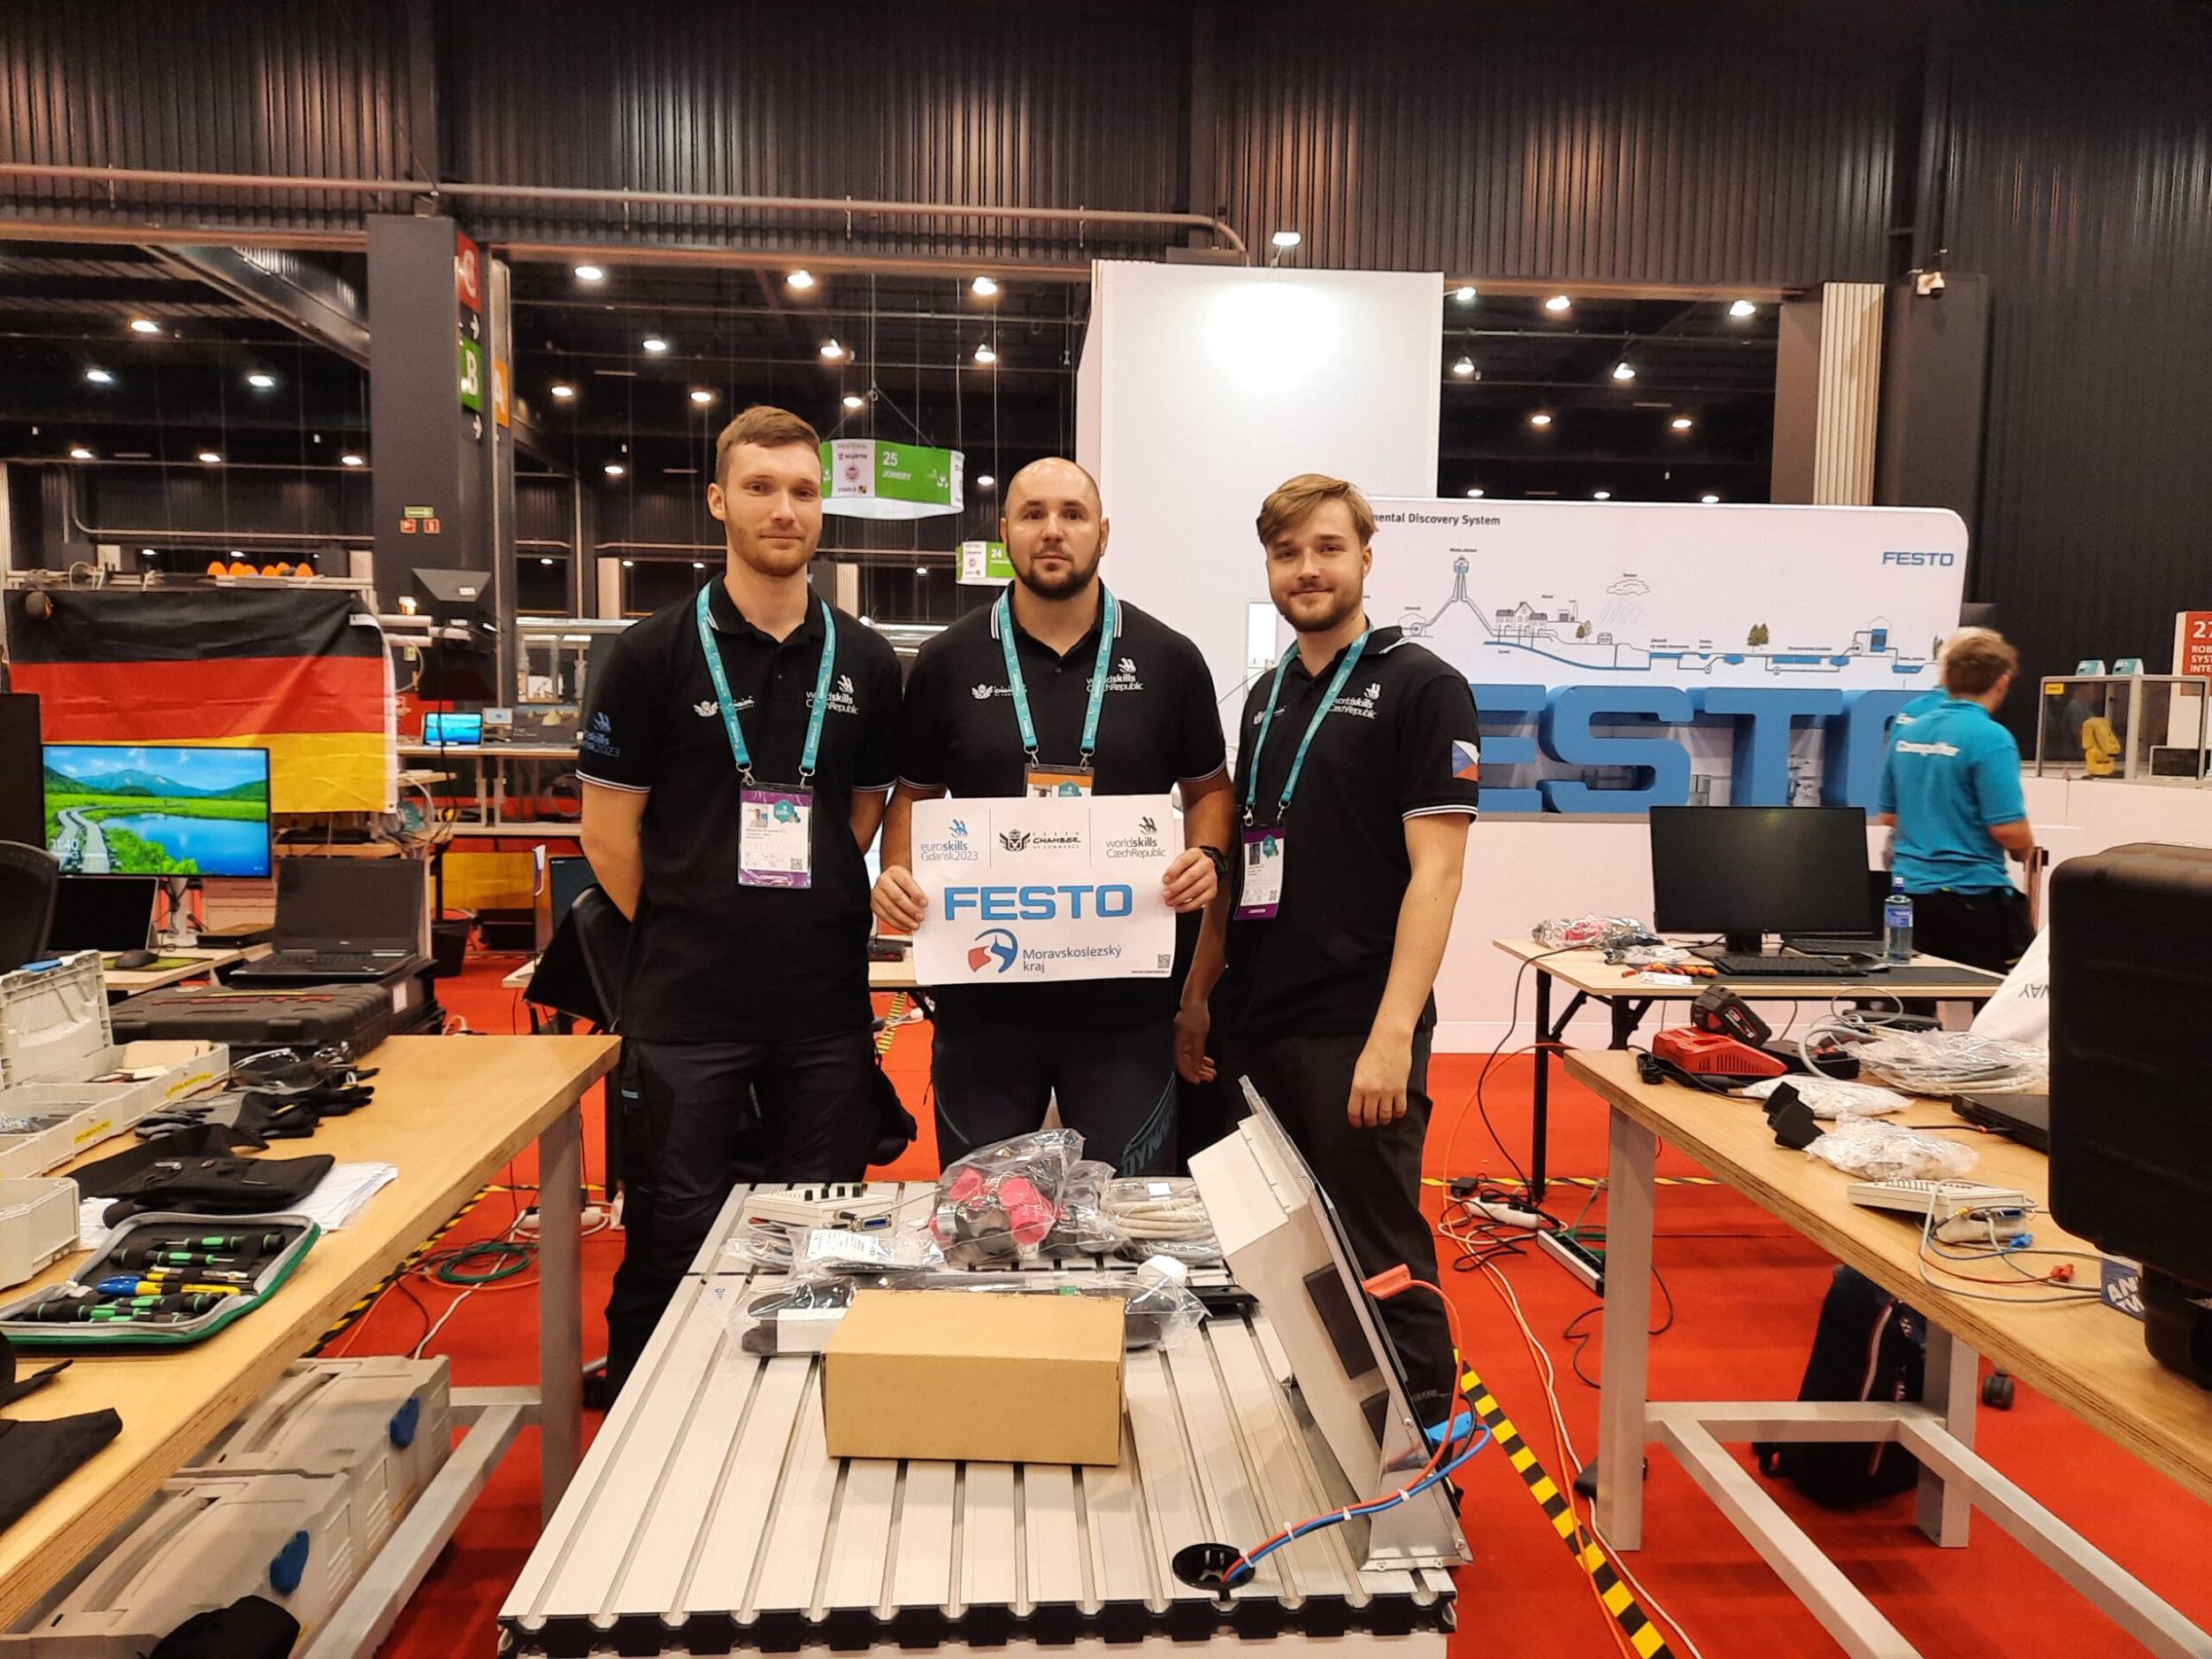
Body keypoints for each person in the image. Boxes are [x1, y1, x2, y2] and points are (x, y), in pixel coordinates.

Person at [579, 403, 902, 1391]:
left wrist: (791, 909)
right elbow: (607, 834)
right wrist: (698, 915)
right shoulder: (650, 653)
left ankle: (796, 1413)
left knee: (822, 1229)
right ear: (719, 501)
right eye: (761, 487)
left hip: (824, 1007)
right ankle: (644, 1407)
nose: (783, 510)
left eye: (803, 491)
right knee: (671, 1229)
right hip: (687, 1007)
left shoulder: (867, 660)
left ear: (824, 508)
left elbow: (860, 814)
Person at [1180, 472, 1480, 1427]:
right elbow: (1245, 860)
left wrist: (1392, 1035)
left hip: (1356, 1024)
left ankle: (1423, 1457)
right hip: (1260, 1016)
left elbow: (1437, 875)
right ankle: (1329, 1414)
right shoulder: (1267, 695)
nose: (1306, 569)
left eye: (1327, 548)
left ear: (1365, 558)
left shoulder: (1424, 687)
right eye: (1287, 553)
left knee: (1381, 1246)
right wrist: (1201, 993)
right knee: (1290, 1244)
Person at [872, 457, 1231, 1175]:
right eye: (1034, 514)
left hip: (1128, 1006)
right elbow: (912, 795)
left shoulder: (1169, 658)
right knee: (983, 1218)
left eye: (1073, 513)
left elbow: (1210, 791)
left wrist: (1210, 857)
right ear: (1006, 532)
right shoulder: (947, 660)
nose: (1053, 530)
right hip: (982, 1003)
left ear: (1104, 532)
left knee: (1126, 1215)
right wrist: (898, 873)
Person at [1877, 628, 2036, 972]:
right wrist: (2025, 847)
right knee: (1993, 997)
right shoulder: (1991, 738)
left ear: (1946, 677)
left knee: (1910, 996)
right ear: (2003, 680)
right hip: (1972, 895)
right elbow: (2008, 830)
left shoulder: (1909, 731)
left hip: (1909, 893)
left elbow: (1889, 815)